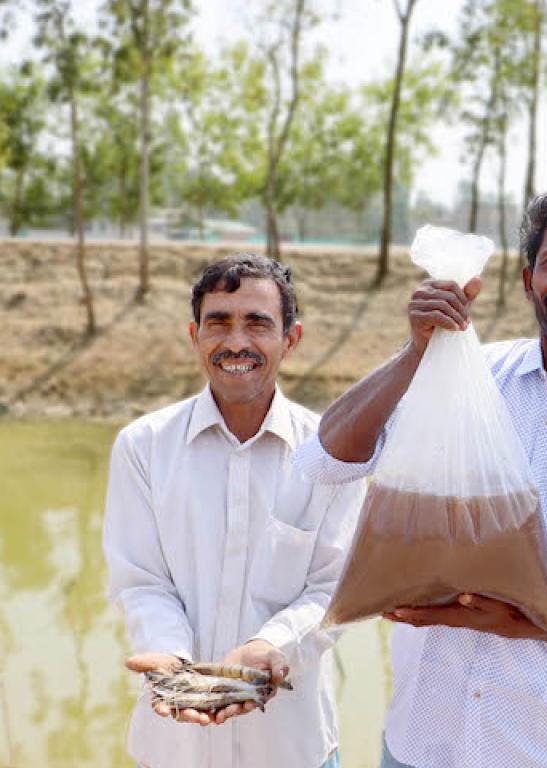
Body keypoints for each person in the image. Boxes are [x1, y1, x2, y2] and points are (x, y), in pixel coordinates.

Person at [294, 185, 547, 767]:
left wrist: (533, 624)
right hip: (417, 745)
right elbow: (324, 460)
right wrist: (417, 351)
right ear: (528, 280)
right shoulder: (469, 377)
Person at [103, 253, 365, 768]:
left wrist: (271, 646)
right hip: (174, 745)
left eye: (258, 323)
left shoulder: (333, 453)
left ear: (291, 339)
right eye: (219, 322)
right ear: (195, 335)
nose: (236, 342)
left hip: (292, 748)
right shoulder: (143, 446)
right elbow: (142, 582)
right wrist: (173, 663)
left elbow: (335, 591)